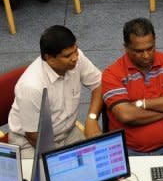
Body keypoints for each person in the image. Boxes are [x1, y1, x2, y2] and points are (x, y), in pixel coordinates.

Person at [8, 25, 103, 158]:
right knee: (50, 177)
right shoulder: (31, 87)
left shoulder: (76, 58)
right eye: (68, 56)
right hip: (31, 143)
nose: (75, 57)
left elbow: (99, 84)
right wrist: (61, 159)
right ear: (50, 59)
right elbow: (33, 135)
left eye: (75, 50)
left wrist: (92, 119)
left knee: (97, 161)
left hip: (68, 133)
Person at [102, 18, 163, 155]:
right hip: (128, 151)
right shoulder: (111, 73)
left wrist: (140, 104)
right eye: (139, 51)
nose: (146, 55)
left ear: (155, 41)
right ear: (126, 47)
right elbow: (126, 115)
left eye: (150, 48)